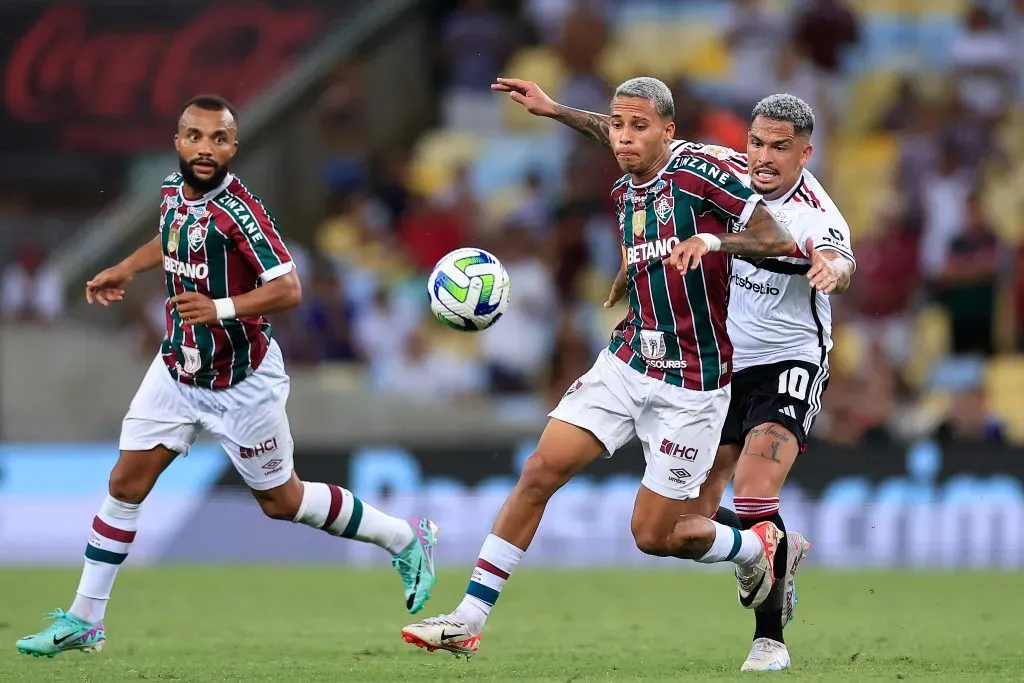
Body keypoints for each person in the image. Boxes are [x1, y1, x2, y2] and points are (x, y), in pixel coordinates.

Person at [15, 95, 439, 659]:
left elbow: (289, 288)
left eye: (219, 139)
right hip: (176, 370)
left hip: (241, 383)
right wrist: (126, 267)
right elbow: (169, 239)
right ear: (178, 140)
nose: (206, 148)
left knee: (282, 501)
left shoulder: (242, 212)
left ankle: (405, 539)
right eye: (196, 136)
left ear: (234, 147)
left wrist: (221, 308)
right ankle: (85, 620)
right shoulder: (171, 190)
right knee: (125, 485)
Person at [402, 77, 799, 658]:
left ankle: (753, 551)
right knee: (540, 470)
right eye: (618, 126)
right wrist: (554, 109)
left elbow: (776, 235)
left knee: (658, 536)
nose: (624, 138)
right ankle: (468, 618)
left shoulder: (701, 173)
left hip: (691, 381)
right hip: (628, 359)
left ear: (669, 130)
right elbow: (607, 133)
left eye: (640, 127)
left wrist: (713, 244)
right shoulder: (625, 187)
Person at [492, 77, 856, 672]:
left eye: (779, 147)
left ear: (804, 153)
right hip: (722, 362)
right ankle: (772, 555)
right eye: (757, 143)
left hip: (788, 363)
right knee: (693, 522)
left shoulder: (816, 214)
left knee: (756, 491)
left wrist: (829, 271)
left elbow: (839, 260)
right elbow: (638, 139)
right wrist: (554, 109)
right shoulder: (730, 170)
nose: (764, 157)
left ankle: (770, 641)